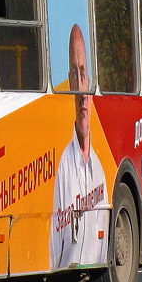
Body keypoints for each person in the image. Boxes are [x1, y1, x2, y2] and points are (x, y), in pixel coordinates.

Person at [50, 24, 110, 269]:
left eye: (84, 73)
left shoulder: (100, 168)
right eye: (75, 74)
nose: (82, 92)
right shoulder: (63, 165)